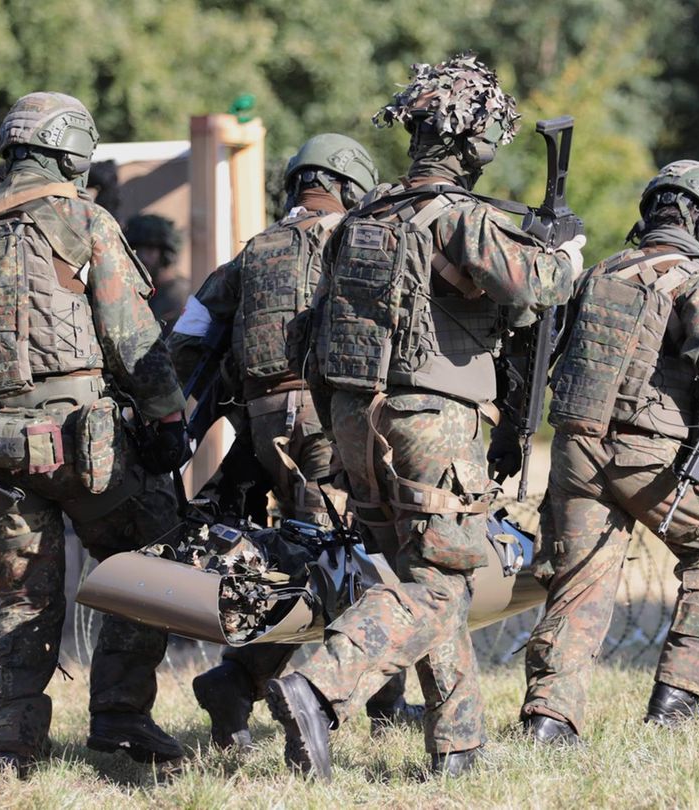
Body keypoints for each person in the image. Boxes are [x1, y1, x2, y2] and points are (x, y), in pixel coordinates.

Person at [263, 54, 584, 780]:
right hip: (430, 421)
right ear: (474, 142)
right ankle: (320, 687)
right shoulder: (460, 219)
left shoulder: (363, 216)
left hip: (354, 418)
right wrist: (564, 254)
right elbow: (534, 287)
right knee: (438, 582)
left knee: (427, 578)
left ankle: (459, 747)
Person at [0, 92, 191, 776]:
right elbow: (131, 335)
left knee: (26, 595)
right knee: (151, 558)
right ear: (74, 151)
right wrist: (168, 417)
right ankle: (120, 716)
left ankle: (14, 740)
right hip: (86, 445)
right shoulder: (83, 219)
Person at [168, 134, 422, 750]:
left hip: (262, 420)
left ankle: (244, 683)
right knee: (359, 553)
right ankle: (302, 693)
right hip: (333, 413)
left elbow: (185, 338)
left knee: (311, 554)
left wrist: (240, 395)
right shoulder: (359, 240)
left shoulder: (254, 252)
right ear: (353, 187)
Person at [518, 160, 699, 748]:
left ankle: (549, 719)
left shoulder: (601, 272)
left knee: (580, 579)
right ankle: (680, 698)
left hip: (576, 450)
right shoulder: (693, 281)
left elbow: (543, 348)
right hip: (647, 452)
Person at [124, 213, 187, 330]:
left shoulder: (178, 298)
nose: (142, 257)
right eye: (136, 249)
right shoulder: (136, 291)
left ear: (166, 255)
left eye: (150, 250)